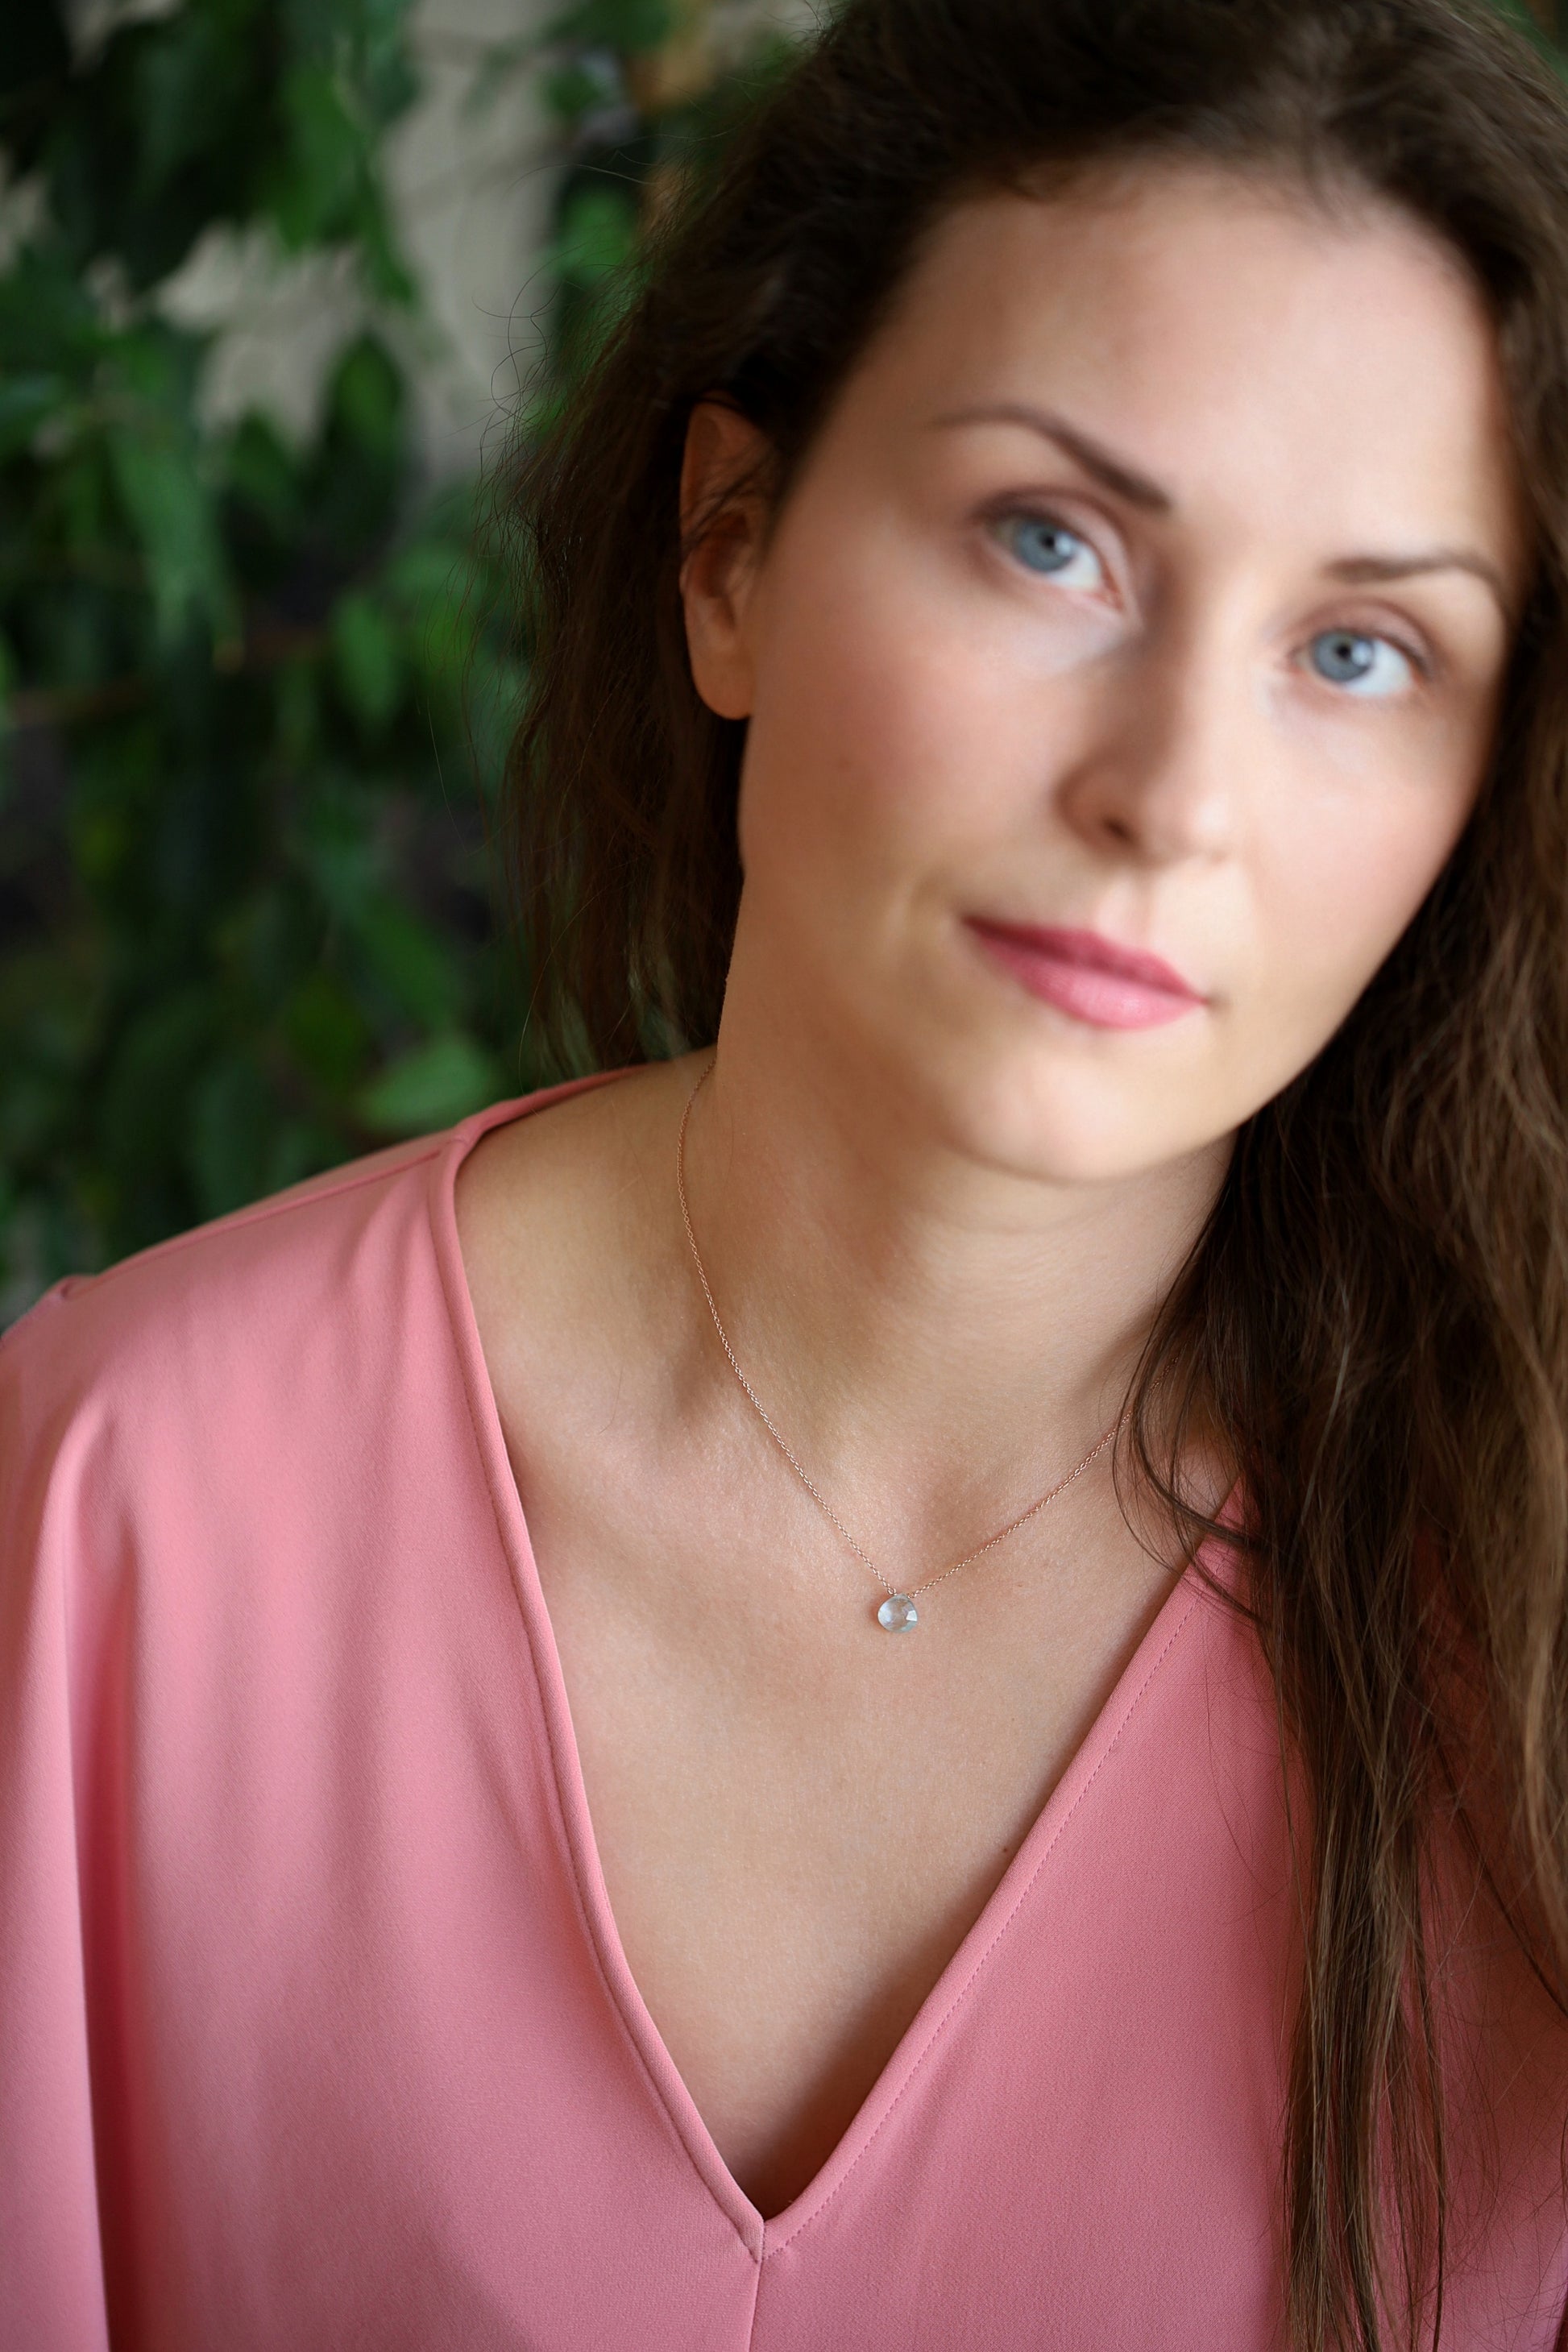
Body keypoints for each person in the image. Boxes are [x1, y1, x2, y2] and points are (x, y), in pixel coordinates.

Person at [6, 0, 1568, 2343]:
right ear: (729, 552)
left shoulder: (1527, 1636)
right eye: (1053, 541)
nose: (1172, 797)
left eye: (1359, 651)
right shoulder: (121, 1500)